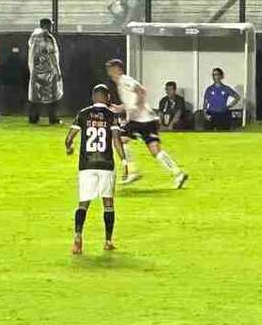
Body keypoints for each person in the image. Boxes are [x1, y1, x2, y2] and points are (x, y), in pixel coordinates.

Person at [105, 59, 189, 189]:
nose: (109, 73)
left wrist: (135, 107)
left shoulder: (124, 80)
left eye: (111, 69)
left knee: (120, 140)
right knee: (155, 150)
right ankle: (178, 173)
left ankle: (132, 171)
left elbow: (141, 91)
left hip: (140, 119)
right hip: (147, 119)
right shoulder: (122, 83)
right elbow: (132, 99)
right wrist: (121, 108)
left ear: (117, 69)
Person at [64, 84, 124, 255]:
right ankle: (107, 241)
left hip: (86, 165)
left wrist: (69, 148)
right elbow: (116, 140)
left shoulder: (83, 114)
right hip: (106, 164)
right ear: (107, 97)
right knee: (108, 203)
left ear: (93, 97)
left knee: (83, 203)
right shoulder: (112, 115)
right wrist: (125, 161)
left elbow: (68, 138)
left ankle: (77, 236)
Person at [27, 18, 63, 124]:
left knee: (35, 96)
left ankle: (33, 118)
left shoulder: (33, 36)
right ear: (47, 26)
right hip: (48, 71)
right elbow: (51, 54)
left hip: (35, 70)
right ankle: (53, 118)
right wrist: (57, 70)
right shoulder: (48, 37)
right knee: (53, 95)